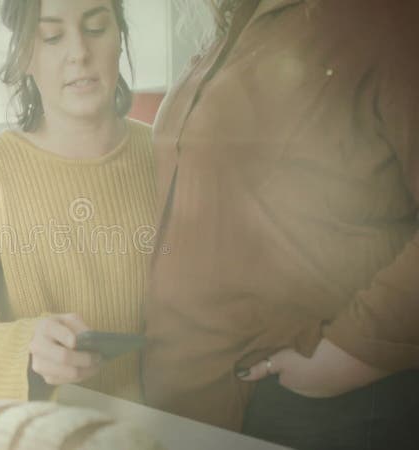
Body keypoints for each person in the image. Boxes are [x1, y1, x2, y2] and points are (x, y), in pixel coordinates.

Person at [142, 0, 418, 448]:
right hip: (191, 408)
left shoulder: (384, 18)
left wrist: (349, 354)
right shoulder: (235, 26)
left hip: (300, 412)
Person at [0, 0, 157, 405]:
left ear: (120, 38)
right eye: (52, 36)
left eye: (96, 28)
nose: (79, 52)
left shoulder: (169, 157)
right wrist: (26, 350)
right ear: (25, 54)